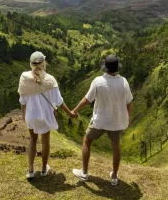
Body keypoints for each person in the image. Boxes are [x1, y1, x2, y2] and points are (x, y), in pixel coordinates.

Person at [71, 55, 133, 186]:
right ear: (117, 68)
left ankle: (84, 173)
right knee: (116, 147)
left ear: (105, 68)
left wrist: (75, 110)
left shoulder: (98, 81)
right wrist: (128, 116)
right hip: (117, 122)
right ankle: (114, 176)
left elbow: (87, 99)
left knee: (87, 141)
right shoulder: (124, 82)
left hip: (100, 121)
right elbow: (129, 102)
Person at [19, 51, 75, 179]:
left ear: (30, 63)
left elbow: (22, 99)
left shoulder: (24, 77)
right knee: (45, 142)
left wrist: (23, 113)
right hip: (45, 116)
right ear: (44, 63)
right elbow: (59, 101)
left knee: (32, 139)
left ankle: (31, 170)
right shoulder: (50, 80)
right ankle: (44, 168)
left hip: (31, 115)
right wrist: (70, 113)